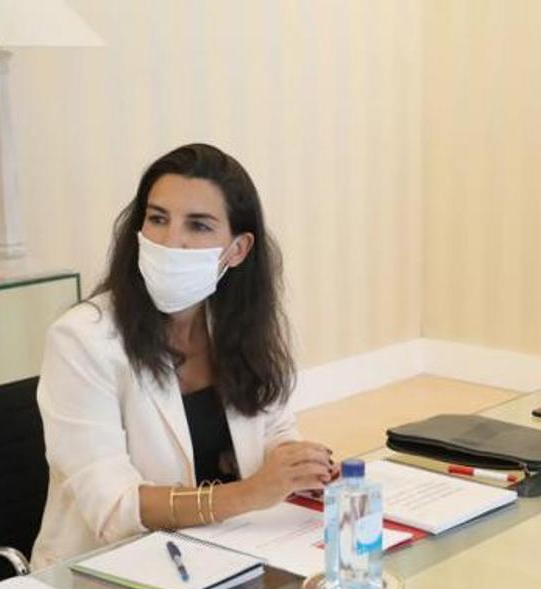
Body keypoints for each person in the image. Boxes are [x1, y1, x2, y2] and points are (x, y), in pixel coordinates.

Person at [32, 143, 336, 567]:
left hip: (228, 553)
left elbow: (274, 429)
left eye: (198, 225)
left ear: (238, 249)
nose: (171, 240)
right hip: (112, 574)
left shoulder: (238, 324)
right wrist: (249, 493)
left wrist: (299, 468)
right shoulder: (81, 339)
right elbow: (115, 510)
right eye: (157, 219)